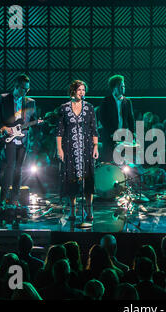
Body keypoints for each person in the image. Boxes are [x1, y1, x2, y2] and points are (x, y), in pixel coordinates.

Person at [0, 73, 39, 206]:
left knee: (19, 169)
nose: (26, 91)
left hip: (23, 139)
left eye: (28, 89)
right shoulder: (4, 98)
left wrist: (34, 125)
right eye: (24, 89)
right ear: (16, 86)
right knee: (10, 167)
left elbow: (33, 120)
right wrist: (3, 127)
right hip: (8, 138)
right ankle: (3, 198)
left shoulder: (31, 102)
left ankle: (14, 199)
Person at [56, 80, 99, 221]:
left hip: (86, 148)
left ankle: (89, 211)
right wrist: (59, 149)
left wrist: (95, 147)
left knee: (88, 179)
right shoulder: (63, 108)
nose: (82, 92)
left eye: (83, 90)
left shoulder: (90, 107)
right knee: (71, 179)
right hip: (69, 147)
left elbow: (94, 129)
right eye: (79, 89)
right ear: (73, 91)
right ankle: (73, 211)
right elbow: (59, 131)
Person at [97, 74, 135, 163]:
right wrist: (111, 132)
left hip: (123, 135)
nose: (123, 88)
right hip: (110, 136)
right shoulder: (106, 100)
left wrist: (132, 133)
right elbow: (103, 119)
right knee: (109, 159)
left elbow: (130, 119)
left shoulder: (127, 101)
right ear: (114, 87)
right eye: (120, 86)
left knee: (123, 160)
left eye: (123, 86)